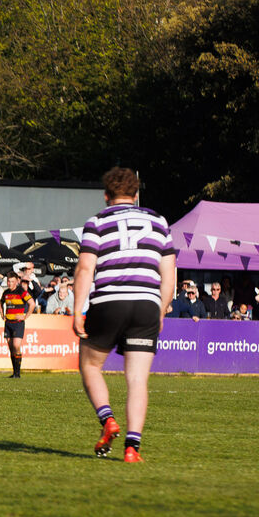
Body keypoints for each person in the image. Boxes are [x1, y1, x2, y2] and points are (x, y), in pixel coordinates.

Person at [74, 166, 175, 463]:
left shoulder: (96, 222)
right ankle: (132, 448)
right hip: (146, 303)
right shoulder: (159, 221)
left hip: (109, 301)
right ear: (136, 194)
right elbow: (168, 275)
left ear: (106, 196)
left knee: (91, 366)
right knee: (137, 380)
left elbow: (85, 269)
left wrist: (78, 310)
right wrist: (161, 309)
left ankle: (108, 420)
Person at [0, 271, 35, 378]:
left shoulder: (21, 291)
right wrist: (2, 314)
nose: (10, 284)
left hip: (18, 323)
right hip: (8, 323)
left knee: (16, 346)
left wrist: (25, 316)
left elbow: (32, 303)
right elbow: (0, 303)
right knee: (10, 348)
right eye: (8, 281)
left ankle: (18, 373)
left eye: (12, 281)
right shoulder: (6, 293)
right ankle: (15, 372)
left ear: (16, 282)